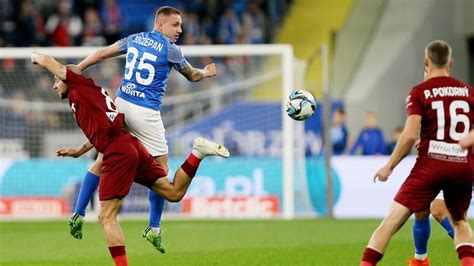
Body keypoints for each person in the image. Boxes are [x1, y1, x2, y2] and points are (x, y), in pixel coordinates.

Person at [31, 51, 229, 266]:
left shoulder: (79, 85)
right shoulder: (85, 96)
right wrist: (80, 150)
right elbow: (104, 128)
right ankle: (197, 153)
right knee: (173, 192)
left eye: (57, 80)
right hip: (129, 144)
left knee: (106, 216)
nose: (54, 85)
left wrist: (35, 56)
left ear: (68, 77)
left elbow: (49, 61)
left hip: (118, 151)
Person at [67, 6, 217, 253]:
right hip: (145, 113)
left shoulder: (134, 39)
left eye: (180, 25)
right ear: (160, 24)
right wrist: (207, 72)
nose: (179, 29)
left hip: (122, 103)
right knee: (162, 171)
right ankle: (154, 227)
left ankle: (79, 212)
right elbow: (192, 76)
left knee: (103, 158)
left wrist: (77, 70)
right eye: (175, 24)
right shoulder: (171, 49)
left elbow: (102, 54)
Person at [360, 40, 474, 266]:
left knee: (393, 220)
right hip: (462, 165)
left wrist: (389, 166)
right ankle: (422, 259)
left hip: (431, 165)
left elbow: (410, 135)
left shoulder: (420, 92)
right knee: (459, 222)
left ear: (425, 62)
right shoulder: (468, 92)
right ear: (451, 63)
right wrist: (466, 141)